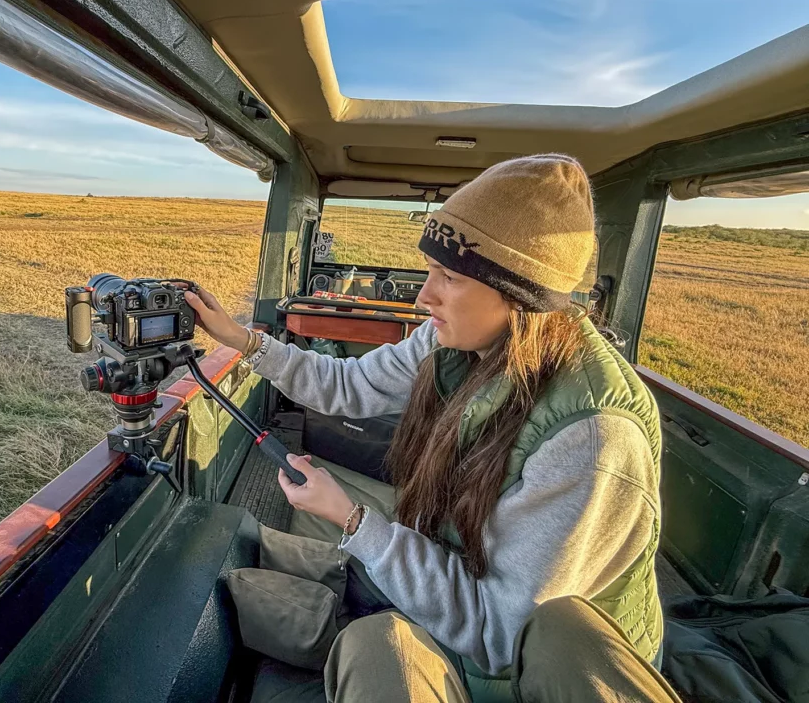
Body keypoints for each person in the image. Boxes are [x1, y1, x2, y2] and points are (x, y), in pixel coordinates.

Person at [185, 155, 676, 703]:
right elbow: (349, 386)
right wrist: (243, 341)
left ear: (518, 295)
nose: (423, 296)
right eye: (429, 271)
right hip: (462, 569)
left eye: (449, 277)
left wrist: (353, 520)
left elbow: (498, 639)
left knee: (374, 644)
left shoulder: (591, 440)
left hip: (532, 674)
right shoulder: (455, 340)